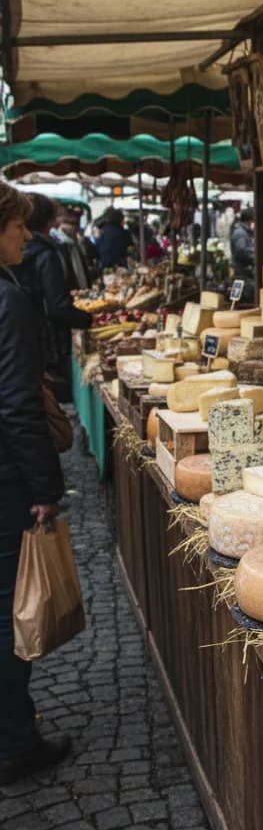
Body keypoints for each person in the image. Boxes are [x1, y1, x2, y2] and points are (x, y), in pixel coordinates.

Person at [0, 182, 70, 786]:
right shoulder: (10, 300)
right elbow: (18, 405)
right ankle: (15, 742)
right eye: (16, 226)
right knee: (7, 611)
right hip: (5, 477)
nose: (26, 235)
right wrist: (46, 486)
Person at [14, 194, 93, 400]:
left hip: (29, 347)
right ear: (50, 221)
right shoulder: (46, 255)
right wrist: (87, 320)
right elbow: (57, 306)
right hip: (49, 345)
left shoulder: (20, 256)